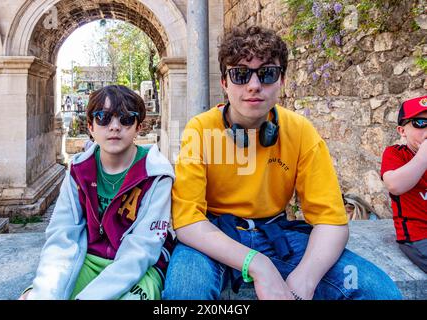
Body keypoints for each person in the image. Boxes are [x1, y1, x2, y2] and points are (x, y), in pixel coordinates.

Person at [163, 26, 402, 300]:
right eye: (240, 74)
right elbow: (188, 221)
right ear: (225, 83)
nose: (254, 85)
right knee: (185, 295)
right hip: (212, 236)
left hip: (277, 235)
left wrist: (305, 278)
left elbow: (331, 221)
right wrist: (258, 264)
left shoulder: (300, 130)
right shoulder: (200, 129)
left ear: (282, 80)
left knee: (380, 291)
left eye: (267, 73)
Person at [20, 85, 175, 299]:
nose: (114, 126)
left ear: (139, 127)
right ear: (91, 127)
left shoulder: (157, 175)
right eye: (103, 117)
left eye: (126, 118)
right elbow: (62, 235)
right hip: (88, 258)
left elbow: (142, 248)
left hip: (141, 266)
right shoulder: (78, 171)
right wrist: (43, 290)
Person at [381, 95, 427, 273]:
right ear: (402, 131)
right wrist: (423, 156)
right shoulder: (396, 154)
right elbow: (394, 185)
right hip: (418, 236)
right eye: (420, 123)